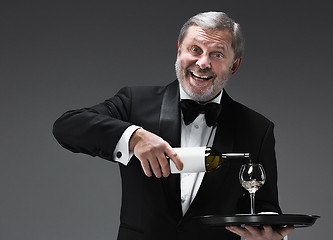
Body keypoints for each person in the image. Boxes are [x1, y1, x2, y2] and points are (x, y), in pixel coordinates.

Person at [53, 11, 293, 240]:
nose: (202, 63)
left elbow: (264, 205)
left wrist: (270, 234)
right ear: (179, 51)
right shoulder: (134, 102)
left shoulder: (257, 128)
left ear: (234, 65)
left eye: (217, 54)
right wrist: (134, 137)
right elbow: (67, 126)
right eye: (195, 50)